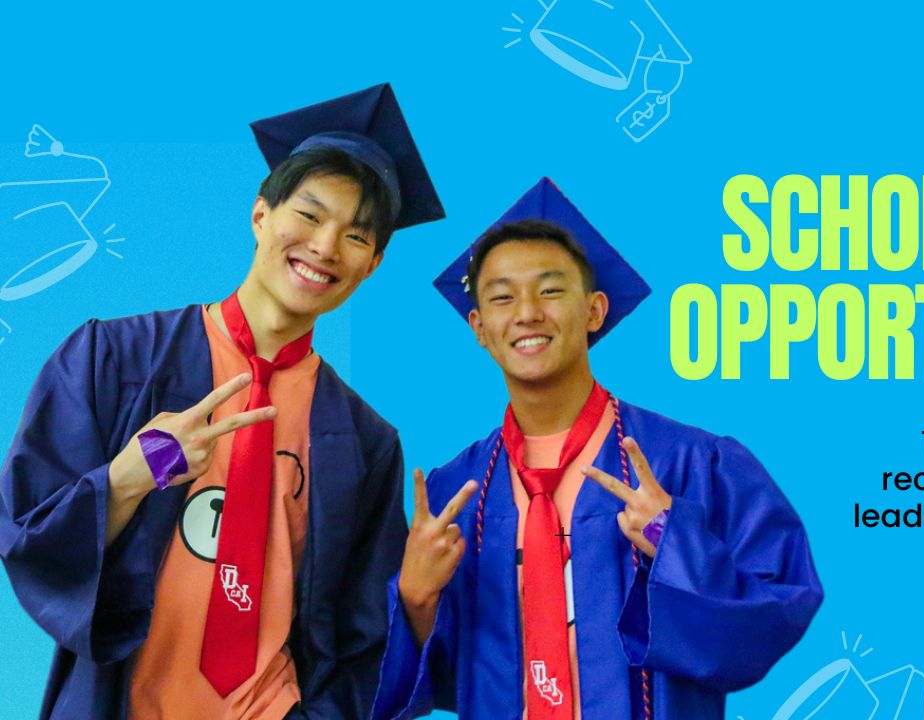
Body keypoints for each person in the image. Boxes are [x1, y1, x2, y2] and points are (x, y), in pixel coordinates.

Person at [0, 83, 444, 719]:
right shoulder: (115, 359)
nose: (325, 246)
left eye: (356, 235)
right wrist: (130, 476)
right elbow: (25, 531)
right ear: (261, 214)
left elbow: (361, 636)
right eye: (311, 215)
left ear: (372, 262)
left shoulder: (365, 439)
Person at [373, 178, 823, 719]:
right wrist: (418, 598)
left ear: (594, 310)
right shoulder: (456, 492)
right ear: (480, 328)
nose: (527, 313)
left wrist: (671, 539)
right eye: (502, 297)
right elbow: (443, 679)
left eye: (551, 290)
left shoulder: (689, 463)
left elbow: (778, 609)